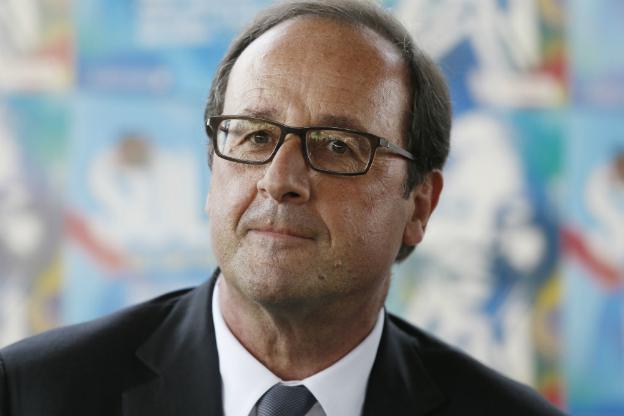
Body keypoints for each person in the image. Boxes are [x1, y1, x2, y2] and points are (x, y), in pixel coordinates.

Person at [0, 1, 565, 415]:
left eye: (338, 147)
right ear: (211, 166)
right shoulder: (32, 393)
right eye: (253, 136)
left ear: (420, 204)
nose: (280, 180)